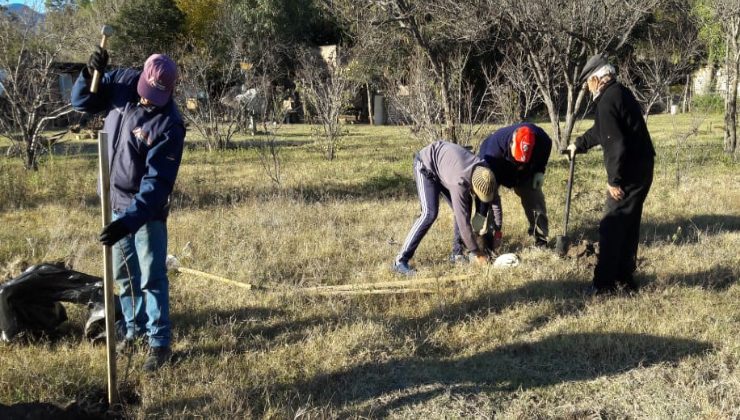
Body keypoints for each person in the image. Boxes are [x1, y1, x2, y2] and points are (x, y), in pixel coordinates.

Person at [71, 47, 185, 371]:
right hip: (113, 201)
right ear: (142, 77)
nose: (149, 101)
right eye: (147, 93)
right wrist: (88, 73)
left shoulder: (169, 125)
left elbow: (157, 184)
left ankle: (159, 344)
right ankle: (132, 332)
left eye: (157, 97)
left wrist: (130, 220)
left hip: (146, 213)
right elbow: (82, 102)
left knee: (151, 276)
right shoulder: (122, 81)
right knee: (125, 275)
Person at [566, 54, 655, 295]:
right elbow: (603, 129)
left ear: (597, 79)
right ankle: (624, 280)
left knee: (611, 226)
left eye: (587, 83)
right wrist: (580, 144)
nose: (586, 88)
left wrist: (614, 181)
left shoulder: (607, 101)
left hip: (629, 173)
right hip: (642, 168)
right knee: (627, 225)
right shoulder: (619, 93)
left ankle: (603, 285)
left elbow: (615, 143)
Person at [393, 141, 498, 275]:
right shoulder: (459, 183)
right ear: (472, 186)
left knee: (465, 205)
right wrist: (477, 252)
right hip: (426, 165)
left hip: (446, 168)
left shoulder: (484, 172)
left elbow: (493, 200)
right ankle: (400, 260)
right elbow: (462, 221)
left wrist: (493, 229)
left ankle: (457, 254)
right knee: (429, 213)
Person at [467, 123, 552, 256]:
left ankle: (541, 238)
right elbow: (486, 195)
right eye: (517, 160)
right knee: (486, 205)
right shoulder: (491, 154)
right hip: (498, 169)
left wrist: (540, 170)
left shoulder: (540, 137)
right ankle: (483, 242)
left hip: (525, 174)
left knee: (534, 197)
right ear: (511, 143)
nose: (519, 165)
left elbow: (547, 144)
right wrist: (482, 216)